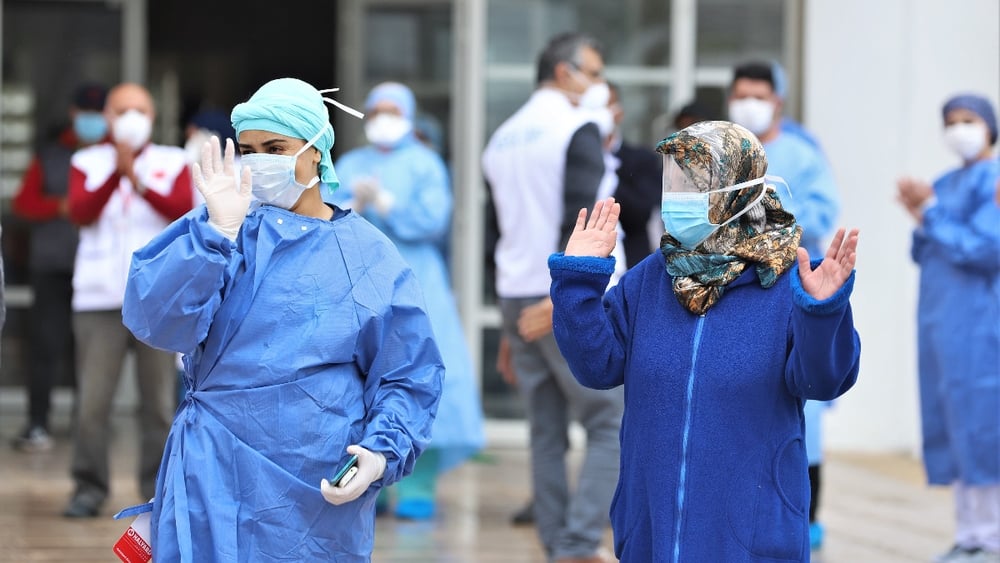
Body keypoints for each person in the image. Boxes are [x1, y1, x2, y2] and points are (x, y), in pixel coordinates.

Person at [120, 77, 443, 561]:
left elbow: (408, 372)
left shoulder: (366, 255)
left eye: (275, 149)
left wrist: (381, 452)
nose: (260, 163)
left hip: (312, 495)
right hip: (210, 476)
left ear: (317, 152)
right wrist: (214, 235)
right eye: (248, 151)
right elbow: (157, 320)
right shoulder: (222, 228)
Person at [547, 120, 860, 562]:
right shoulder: (650, 278)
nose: (676, 195)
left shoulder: (790, 280)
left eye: (693, 182)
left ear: (740, 189)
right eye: (673, 180)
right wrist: (578, 280)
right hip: (651, 539)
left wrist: (822, 313)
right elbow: (595, 367)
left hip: (750, 542)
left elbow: (823, 382)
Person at [481, 32, 623, 563]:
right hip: (558, 291)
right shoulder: (576, 128)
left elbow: (496, 235)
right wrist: (564, 295)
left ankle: (556, 543)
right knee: (611, 422)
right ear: (565, 72)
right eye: (595, 72)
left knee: (545, 430)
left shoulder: (501, 138)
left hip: (515, 295)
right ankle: (579, 545)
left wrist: (507, 316)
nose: (600, 84)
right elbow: (578, 220)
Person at [328, 81, 484, 520]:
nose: (384, 118)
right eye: (377, 109)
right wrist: (352, 205)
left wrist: (389, 204)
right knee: (358, 377)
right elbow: (324, 213)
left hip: (417, 281)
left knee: (419, 371)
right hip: (358, 279)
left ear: (410, 116)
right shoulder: (351, 163)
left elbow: (434, 219)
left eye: (393, 110)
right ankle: (364, 478)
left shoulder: (424, 163)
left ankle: (418, 483)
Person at [62, 82, 194, 518]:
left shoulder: (173, 161)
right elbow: (80, 212)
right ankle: (89, 488)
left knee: (157, 404)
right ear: (108, 117)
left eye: (140, 110)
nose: (132, 118)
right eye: (122, 110)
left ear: (153, 117)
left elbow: (181, 208)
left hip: (157, 299)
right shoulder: (86, 161)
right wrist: (116, 173)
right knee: (92, 403)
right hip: (99, 299)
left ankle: (157, 492)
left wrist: (136, 180)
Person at [728, 60, 842, 550]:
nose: (749, 104)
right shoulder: (725, 150)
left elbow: (822, 212)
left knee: (801, 402)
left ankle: (805, 513)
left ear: (777, 101)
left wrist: (772, 211)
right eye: (741, 95)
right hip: (733, 291)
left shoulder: (800, 154)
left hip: (788, 285)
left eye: (758, 95)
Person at [896, 93, 1000, 563]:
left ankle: (991, 538)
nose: (959, 128)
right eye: (951, 121)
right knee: (953, 426)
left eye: (969, 120)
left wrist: (932, 213)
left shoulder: (993, 181)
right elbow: (922, 251)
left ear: (990, 126)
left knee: (983, 426)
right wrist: (922, 215)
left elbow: (985, 249)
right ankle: (969, 534)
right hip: (941, 324)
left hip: (980, 326)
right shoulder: (942, 183)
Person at [10, 82, 107, 452]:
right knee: (45, 347)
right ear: (73, 114)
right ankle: (38, 424)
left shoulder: (115, 158)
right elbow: (22, 204)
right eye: (87, 112)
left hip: (96, 271)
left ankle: (88, 428)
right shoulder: (50, 156)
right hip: (52, 267)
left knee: (91, 351)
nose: (92, 120)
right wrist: (60, 206)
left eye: (98, 113)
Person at [607, 82, 663, 269]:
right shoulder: (572, 160)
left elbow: (642, 212)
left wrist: (606, 169)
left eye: (606, 105)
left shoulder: (641, 159)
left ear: (619, 112)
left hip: (630, 264)